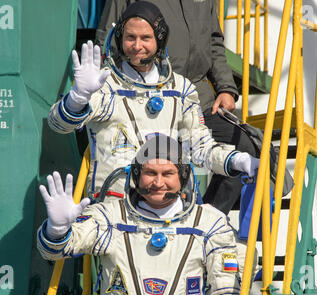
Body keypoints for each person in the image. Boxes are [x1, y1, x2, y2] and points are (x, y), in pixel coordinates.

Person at [48, 1, 258, 203]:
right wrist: (78, 98)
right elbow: (59, 125)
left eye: (145, 38)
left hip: (170, 214)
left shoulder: (180, 90)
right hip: (115, 211)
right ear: (120, 38)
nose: (137, 46)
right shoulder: (105, 86)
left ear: (159, 40)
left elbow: (199, 147)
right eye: (130, 37)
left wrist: (238, 161)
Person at [37, 135, 241, 295]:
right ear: (136, 175)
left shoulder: (209, 224)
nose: (158, 182)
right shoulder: (109, 218)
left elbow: (225, 291)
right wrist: (57, 229)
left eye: (168, 173)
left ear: (184, 176)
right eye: (150, 173)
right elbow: (54, 252)